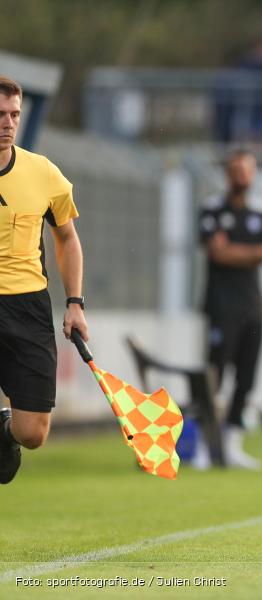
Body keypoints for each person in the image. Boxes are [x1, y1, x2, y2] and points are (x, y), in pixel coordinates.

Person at [0, 76, 89, 484]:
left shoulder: (43, 172)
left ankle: (4, 430)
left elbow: (67, 238)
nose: (8, 123)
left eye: (15, 114)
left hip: (28, 307)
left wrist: (75, 303)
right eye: (0, 114)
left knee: (33, 433)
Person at [198, 149, 262, 469]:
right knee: (214, 374)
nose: (241, 175)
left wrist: (234, 250)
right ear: (227, 173)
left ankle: (232, 444)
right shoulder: (212, 208)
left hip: (253, 305)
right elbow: (216, 254)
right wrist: (253, 252)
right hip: (220, 304)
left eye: (246, 170)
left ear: (254, 173)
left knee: (246, 377)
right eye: (235, 170)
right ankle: (206, 445)